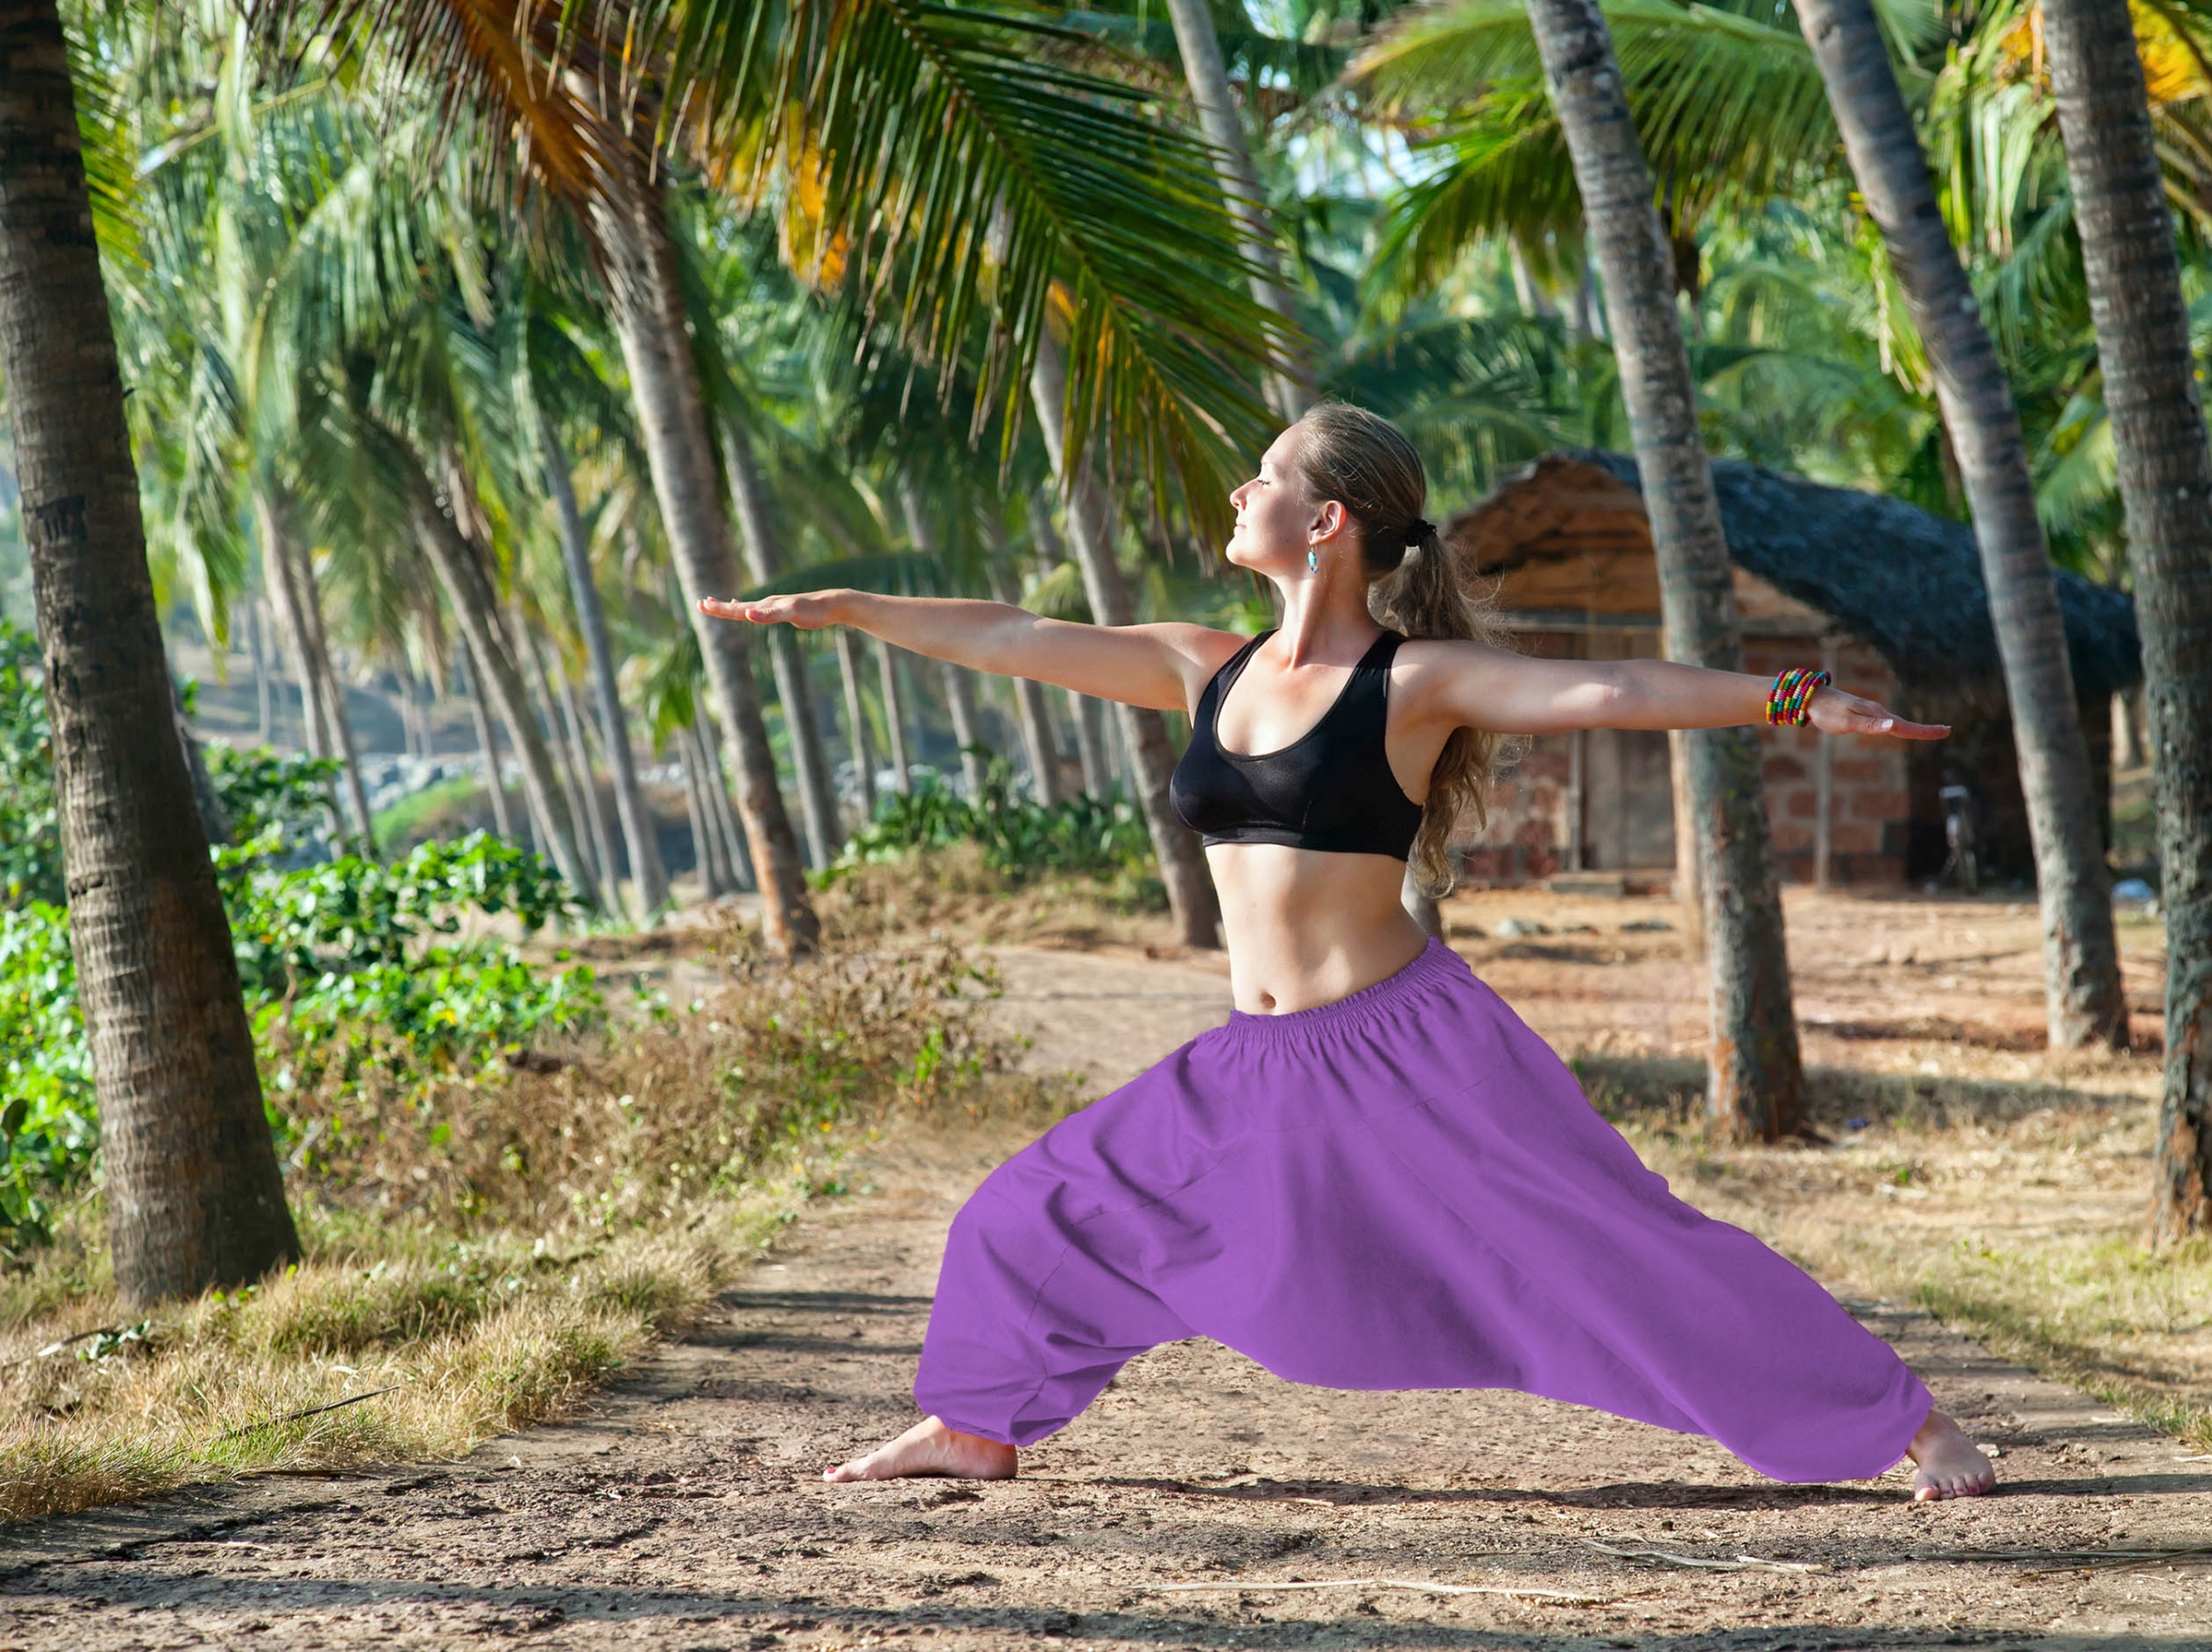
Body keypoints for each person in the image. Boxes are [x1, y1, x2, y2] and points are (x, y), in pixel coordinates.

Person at [699, 402, 1998, 1502]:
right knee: (1029, 1204)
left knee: (1620, 1242)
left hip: (1410, 1044)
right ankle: (978, 1426)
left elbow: (1613, 691)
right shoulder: (1201, 667)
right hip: (1257, 1063)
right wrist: (853, 607)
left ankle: (1904, 1417)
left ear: (1325, 520)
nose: (1238, 488)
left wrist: (1799, 696)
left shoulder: (1412, 682)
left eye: (1265, 476)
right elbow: (1006, 634)